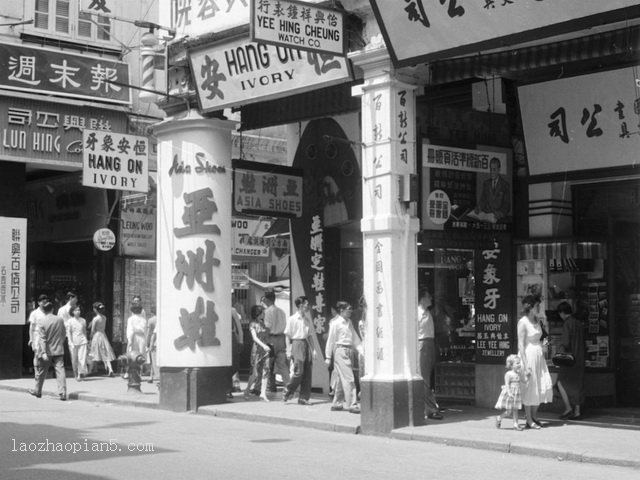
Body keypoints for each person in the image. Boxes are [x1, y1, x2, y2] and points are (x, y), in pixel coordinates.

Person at [517, 294, 553, 429]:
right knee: (530, 386)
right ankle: (529, 418)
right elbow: (520, 344)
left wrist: (545, 343)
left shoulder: (537, 321)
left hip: (539, 355)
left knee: (542, 383)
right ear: (530, 307)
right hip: (529, 355)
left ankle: (534, 416)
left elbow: (544, 336)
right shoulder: (523, 322)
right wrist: (525, 365)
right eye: (537, 305)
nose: (539, 307)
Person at [324, 301, 362, 413]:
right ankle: (352, 404)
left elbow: (354, 337)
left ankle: (337, 403)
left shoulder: (349, 322)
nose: (350, 311)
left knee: (341, 379)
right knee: (349, 378)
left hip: (349, 350)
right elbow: (331, 340)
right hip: (340, 350)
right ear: (341, 310)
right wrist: (328, 357)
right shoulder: (335, 323)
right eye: (348, 309)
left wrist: (360, 349)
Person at [29, 301, 67, 401]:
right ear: (52, 309)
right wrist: (60, 342)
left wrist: (44, 352)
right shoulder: (59, 319)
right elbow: (63, 333)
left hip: (47, 351)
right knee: (60, 371)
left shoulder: (41, 321)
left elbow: (42, 339)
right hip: (58, 349)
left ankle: (38, 391)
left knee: (42, 371)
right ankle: (62, 392)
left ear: (44, 310)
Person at [282, 296, 316, 404]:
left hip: (305, 344)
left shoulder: (306, 319)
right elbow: (287, 336)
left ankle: (303, 398)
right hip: (296, 344)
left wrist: (313, 349)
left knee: (307, 372)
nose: (308, 306)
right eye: (306, 304)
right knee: (298, 371)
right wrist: (288, 350)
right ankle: (288, 389)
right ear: (301, 305)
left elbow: (309, 335)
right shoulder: (292, 319)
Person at [556, 302, 585, 420]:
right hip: (580, 358)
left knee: (560, 382)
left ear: (562, 313)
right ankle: (577, 411)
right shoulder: (578, 323)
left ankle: (568, 408)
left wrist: (558, 355)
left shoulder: (567, 324)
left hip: (569, 359)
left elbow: (566, 343)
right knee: (578, 384)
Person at [418, 289, 442, 420]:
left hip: (429, 343)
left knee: (428, 376)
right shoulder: (417, 314)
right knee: (424, 377)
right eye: (428, 296)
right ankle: (430, 409)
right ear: (422, 298)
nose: (431, 298)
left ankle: (428, 406)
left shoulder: (427, 313)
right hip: (422, 343)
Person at [263, 290, 290, 391]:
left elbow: (267, 327)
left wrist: (265, 340)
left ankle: (269, 385)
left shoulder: (267, 312)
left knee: (268, 364)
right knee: (282, 365)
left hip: (271, 338)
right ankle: (288, 386)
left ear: (266, 299)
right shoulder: (282, 311)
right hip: (281, 338)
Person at [243, 305, 272, 402]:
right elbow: (254, 338)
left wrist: (268, 344)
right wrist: (264, 345)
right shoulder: (253, 324)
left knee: (266, 371)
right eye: (262, 312)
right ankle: (247, 390)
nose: (264, 314)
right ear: (258, 313)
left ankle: (263, 393)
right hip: (257, 350)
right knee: (254, 373)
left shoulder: (264, 324)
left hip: (265, 349)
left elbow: (267, 337)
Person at [471, 156, 511, 223]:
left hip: (498, 219)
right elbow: (482, 200)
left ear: (499, 170)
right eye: (491, 169)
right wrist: (478, 208)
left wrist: (498, 215)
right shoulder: (486, 183)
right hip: (486, 217)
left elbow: (507, 206)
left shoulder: (505, 185)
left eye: (494, 169)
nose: (492, 172)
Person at [494, 354, 524, 431]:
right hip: (510, 393)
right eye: (517, 363)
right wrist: (509, 393)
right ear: (511, 365)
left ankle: (515, 424)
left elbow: (523, 381)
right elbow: (507, 384)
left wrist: (528, 377)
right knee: (509, 411)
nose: (519, 364)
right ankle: (499, 417)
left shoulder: (519, 373)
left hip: (517, 393)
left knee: (515, 409)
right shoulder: (508, 374)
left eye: (519, 363)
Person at [88, 302, 115, 377]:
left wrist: (90, 337)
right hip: (103, 334)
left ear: (95, 310)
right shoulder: (104, 317)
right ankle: (110, 369)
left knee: (93, 352)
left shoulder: (95, 319)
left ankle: (90, 370)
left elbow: (92, 330)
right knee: (105, 353)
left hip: (97, 335)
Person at [66, 305, 89, 381]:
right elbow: (69, 333)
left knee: (82, 358)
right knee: (74, 359)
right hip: (73, 342)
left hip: (82, 341)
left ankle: (80, 374)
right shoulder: (70, 321)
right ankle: (75, 373)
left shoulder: (83, 320)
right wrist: (70, 342)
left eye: (79, 310)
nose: (78, 312)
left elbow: (84, 331)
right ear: (72, 312)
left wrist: (86, 340)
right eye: (76, 310)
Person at [28, 294, 49, 370]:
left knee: (45, 353)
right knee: (36, 354)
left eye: (46, 302)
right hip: (37, 335)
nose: (44, 304)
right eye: (43, 302)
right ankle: (36, 371)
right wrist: (31, 339)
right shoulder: (34, 313)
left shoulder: (48, 312)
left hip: (46, 335)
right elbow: (31, 327)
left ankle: (43, 370)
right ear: (38, 303)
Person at [231, 305, 244, 394]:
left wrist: (240, 340)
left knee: (233, 360)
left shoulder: (232, 310)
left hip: (231, 336)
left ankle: (236, 384)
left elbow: (238, 327)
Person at [146, 306, 159, 383]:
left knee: (153, 359)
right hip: (161, 341)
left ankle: (153, 376)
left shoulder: (151, 320)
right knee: (154, 360)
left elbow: (149, 333)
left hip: (154, 342)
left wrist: (147, 342)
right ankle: (151, 376)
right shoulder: (162, 318)